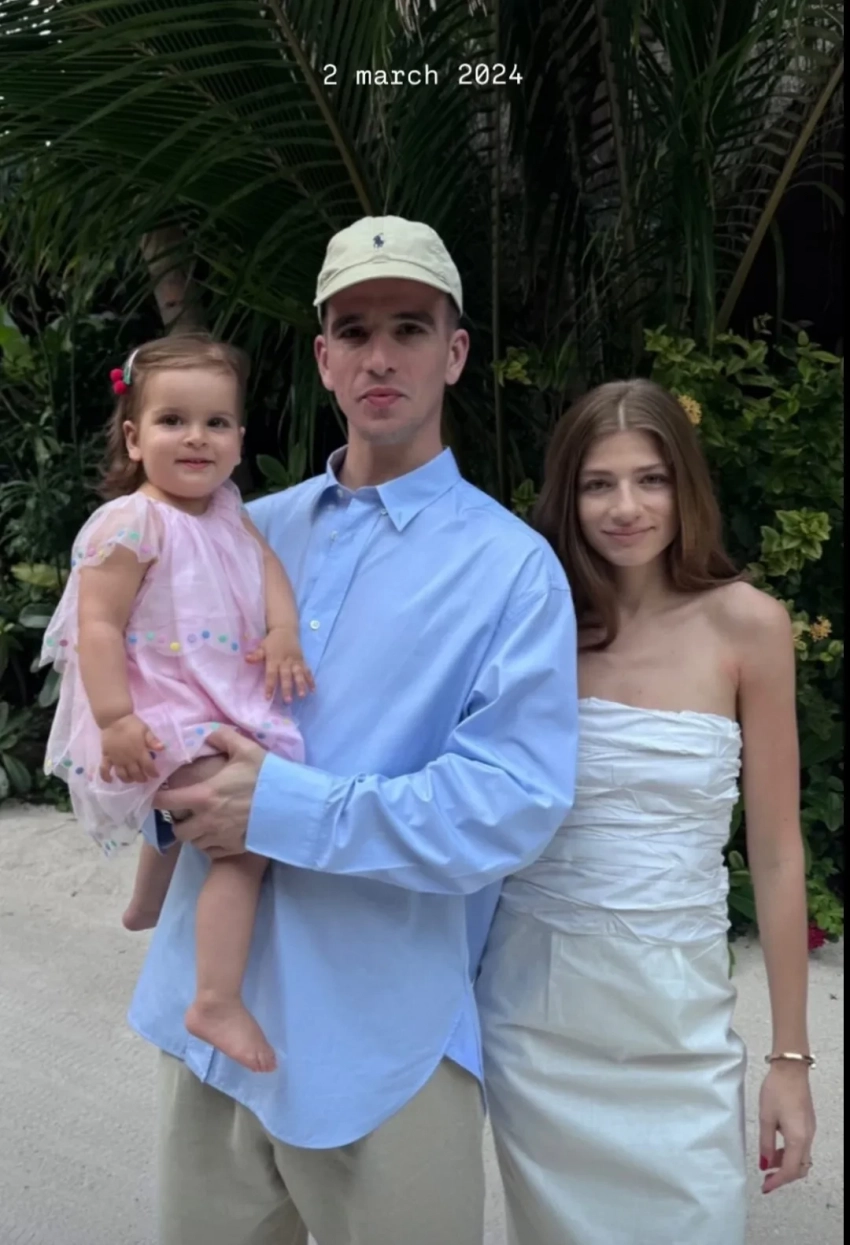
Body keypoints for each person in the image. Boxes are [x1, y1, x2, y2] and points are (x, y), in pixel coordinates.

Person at [126, 215, 579, 1245]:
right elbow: (157, 697)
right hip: (210, 1026)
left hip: (383, 1043)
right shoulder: (240, 530)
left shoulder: (511, 570)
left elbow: (509, 804)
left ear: (454, 352)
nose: (381, 356)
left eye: (410, 328)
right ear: (323, 357)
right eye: (356, 330)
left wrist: (278, 807)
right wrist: (169, 792)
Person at [474, 378, 818, 1245]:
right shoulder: (532, 624)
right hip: (537, 1012)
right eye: (599, 483)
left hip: (678, 1015)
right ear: (568, 496)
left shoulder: (750, 627)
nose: (625, 507)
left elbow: (778, 851)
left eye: (651, 479)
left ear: (685, 486)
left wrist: (789, 1058)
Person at [39, 334, 314, 1075]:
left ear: (239, 439)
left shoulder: (228, 509)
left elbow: (268, 569)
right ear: (134, 438)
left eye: (216, 423)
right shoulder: (130, 522)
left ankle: (147, 903)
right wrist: (114, 719)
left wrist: (283, 632)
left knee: (189, 809)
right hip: (153, 708)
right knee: (245, 842)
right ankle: (214, 999)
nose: (197, 437)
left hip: (213, 698)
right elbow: (97, 626)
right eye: (173, 421)